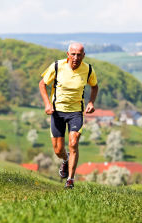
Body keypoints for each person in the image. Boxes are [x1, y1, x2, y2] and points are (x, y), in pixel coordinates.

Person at [39, 42, 98, 188]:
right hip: (57, 111)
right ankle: (65, 160)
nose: (76, 58)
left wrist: (91, 102)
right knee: (58, 150)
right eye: (73, 54)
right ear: (68, 54)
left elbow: (94, 86)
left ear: (83, 56)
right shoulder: (57, 66)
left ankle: (70, 179)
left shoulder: (88, 69)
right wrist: (47, 104)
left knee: (73, 142)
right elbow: (42, 84)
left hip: (76, 112)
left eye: (79, 55)